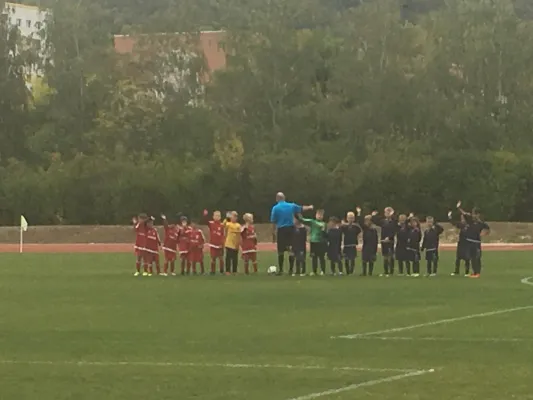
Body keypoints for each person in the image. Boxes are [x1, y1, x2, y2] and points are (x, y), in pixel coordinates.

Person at [270, 192, 313, 274]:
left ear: (277, 199)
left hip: (281, 229)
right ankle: (290, 269)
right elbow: (301, 208)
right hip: (291, 229)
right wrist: (310, 207)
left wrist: (273, 233)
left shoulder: (275, 208)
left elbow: (273, 221)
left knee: (281, 251)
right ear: (284, 198)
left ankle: (281, 270)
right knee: (291, 250)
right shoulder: (291, 205)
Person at [457, 201, 490, 278]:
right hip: (470, 242)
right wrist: (459, 208)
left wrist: (483, 234)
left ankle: (477, 273)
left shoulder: (481, 223)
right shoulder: (470, 220)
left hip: (476, 242)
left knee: (476, 257)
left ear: (478, 215)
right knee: (472, 258)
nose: (473, 215)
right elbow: (464, 213)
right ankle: (474, 272)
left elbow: (487, 229)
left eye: (475, 213)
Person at [372, 207, 398, 276]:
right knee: (385, 256)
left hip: (390, 240)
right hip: (383, 240)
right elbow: (375, 221)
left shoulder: (393, 221)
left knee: (391, 255)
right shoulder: (383, 221)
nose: (387, 214)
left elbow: (394, 230)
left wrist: (389, 237)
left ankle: (391, 271)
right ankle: (386, 271)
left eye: (389, 212)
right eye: (386, 212)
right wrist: (374, 215)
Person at [301, 209, 327, 276]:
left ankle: (323, 271)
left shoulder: (324, 224)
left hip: (321, 242)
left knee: (321, 257)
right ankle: (314, 271)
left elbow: (325, 234)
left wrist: (323, 231)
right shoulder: (312, 222)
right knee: (314, 257)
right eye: (318, 215)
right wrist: (298, 215)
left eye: (321, 215)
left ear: (323, 216)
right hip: (313, 242)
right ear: (315, 215)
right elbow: (303, 220)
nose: (319, 216)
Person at [448, 208, 471, 276]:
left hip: (467, 243)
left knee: (467, 258)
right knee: (458, 258)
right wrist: (449, 217)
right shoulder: (462, 225)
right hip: (461, 242)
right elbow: (453, 223)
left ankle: (467, 272)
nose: (462, 220)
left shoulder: (469, 225)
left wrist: (460, 209)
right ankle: (456, 271)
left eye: (463, 218)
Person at [357, 207, 378, 276]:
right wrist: (359, 213)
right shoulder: (365, 228)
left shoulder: (374, 230)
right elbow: (360, 222)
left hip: (372, 247)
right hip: (366, 246)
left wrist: (374, 216)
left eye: (368, 220)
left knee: (371, 260)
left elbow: (376, 240)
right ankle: (364, 272)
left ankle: (370, 273)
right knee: (364, 260)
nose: (366, 222)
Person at [204, 210, 225, 275]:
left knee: (221, 258)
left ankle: (222, 270)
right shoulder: (211, 223)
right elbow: (205, 221)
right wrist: (205, 215)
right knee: (213, 258)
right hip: (213, 244)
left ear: (220, 217)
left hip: (220, 244)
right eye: (216, 215)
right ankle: (212, 271)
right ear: (213, 217)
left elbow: (222, 235)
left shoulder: (222, 225)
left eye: (218, 216)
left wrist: (222, 243)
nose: (217, 217)